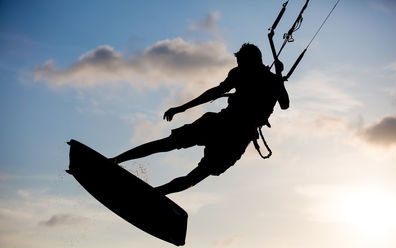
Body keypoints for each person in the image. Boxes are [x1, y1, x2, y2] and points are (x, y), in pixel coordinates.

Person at [110, 43, 289, 195]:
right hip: (221, 124)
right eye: (238, 63)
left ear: (252, 60)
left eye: (242, 62)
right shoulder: (245, 74)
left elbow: (285, 104)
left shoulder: (271, 80)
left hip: (236, 137)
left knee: (195, 176)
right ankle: (115, 161)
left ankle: (152, 195)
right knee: (168, 144)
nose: (239, 65)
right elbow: (213, 92)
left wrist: (279, 78)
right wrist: (181, 108)